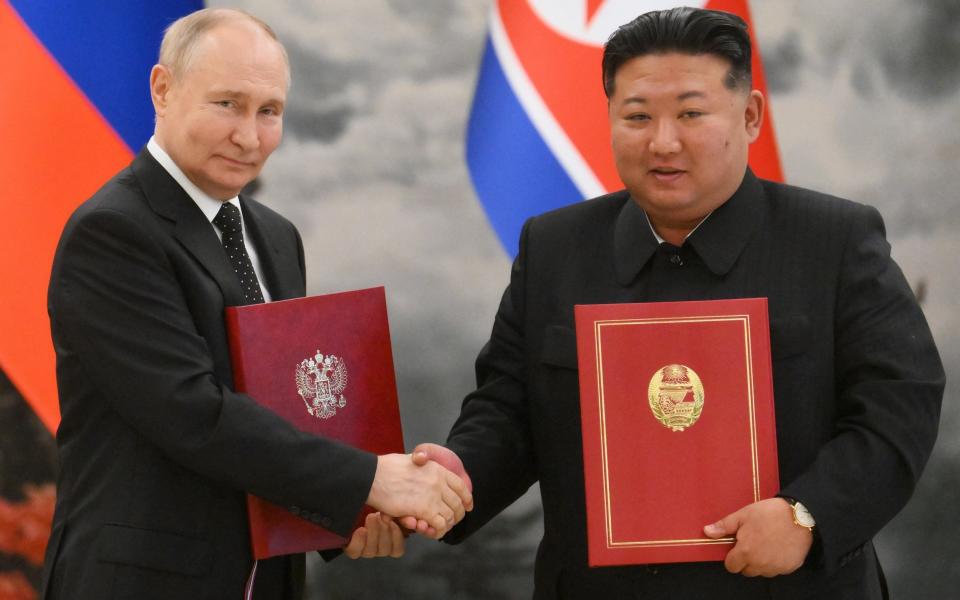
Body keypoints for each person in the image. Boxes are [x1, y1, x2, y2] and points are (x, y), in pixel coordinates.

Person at [410, 7, 944, 599]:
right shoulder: (555, 247)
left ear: (750, 116)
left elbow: (899, 410)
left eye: (691, 113)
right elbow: (508, 410)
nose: (663, 142)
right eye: (637, 116)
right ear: (610, 116)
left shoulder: (835, 241)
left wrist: (806, 516)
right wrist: (456, 479)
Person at [41, 8, 470, 600]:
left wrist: (347, 518)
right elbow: (195, 414)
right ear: (163, 90)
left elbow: (287, 407)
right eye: (228, 104)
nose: (250, 135)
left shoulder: (275, 236)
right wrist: (370, 479)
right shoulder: (112, 232)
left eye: (269, 111)